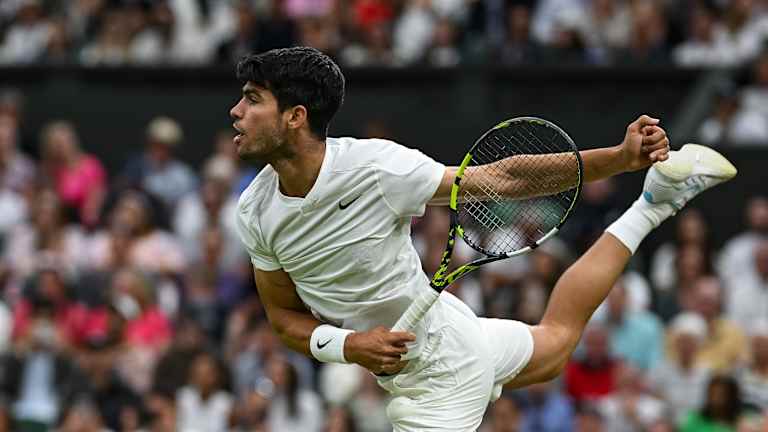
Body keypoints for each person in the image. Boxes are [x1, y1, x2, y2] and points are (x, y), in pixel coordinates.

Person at [232, 46, 735, 431]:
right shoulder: (256, 211)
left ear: (296, 116)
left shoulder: (374, 167)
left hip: (440, 376)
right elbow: (282, 318)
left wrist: (618, 159)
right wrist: (350, 344)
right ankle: (655, 204)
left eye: (253, 100)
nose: (236, 111)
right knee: (556, 344)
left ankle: (649, 193)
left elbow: (503, 180)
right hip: (447, 332)